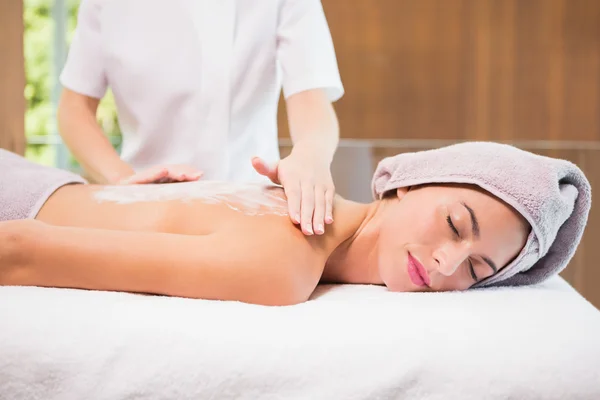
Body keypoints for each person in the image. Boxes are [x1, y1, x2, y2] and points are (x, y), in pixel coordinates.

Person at [0, 142, 590, 306]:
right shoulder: (280, 267)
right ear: (408, 180)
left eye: (479, 269)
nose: (447, 264)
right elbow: (17, 249)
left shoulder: (296, 221)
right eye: (457, 224)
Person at [57, 0, 344, 236]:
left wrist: (311, 155)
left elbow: (310, 95)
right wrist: (122, 178)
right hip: (141, 207)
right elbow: (74, 109)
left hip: (251, 203)